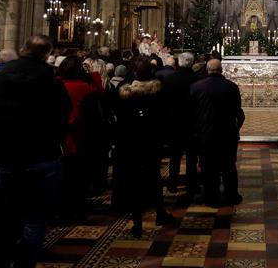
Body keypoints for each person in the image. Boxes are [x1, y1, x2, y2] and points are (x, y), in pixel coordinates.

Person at [0, 35, 72, 268]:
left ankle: (0, 262)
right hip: (42, 154)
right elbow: (63, 115)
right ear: (47, 55)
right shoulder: (52, 81)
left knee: (5, 214)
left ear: (23, 49)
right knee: (35, 219)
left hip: (6, 154)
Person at [113, 58, 175, 236]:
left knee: (133, 182)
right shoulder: (158, 91)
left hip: (130, 142)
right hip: (152, 141)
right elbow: (165, 116)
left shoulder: (125, 93)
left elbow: (119, 118)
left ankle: (137, 222)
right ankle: (160, 213)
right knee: (154, 177)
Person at [190, 58, 245, 207]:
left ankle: (210, 197)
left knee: (208, 166)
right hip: (227, 133)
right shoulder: (231, 87)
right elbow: (238, 112)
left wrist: (197, 129)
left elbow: (191, 112)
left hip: (205, 134)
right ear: (221, 70)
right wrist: (236, 128)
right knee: (228, 166)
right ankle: (232, 195)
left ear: (207, 70)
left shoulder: (196, 87)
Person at [56, 56, 104, 221]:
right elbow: (98, 100)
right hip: (79, 136)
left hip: (59, 137)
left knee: (62, 175)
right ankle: (77, 208)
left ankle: (62, 209)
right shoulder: (83, 87)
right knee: (79, 176)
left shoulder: (55, 85)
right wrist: (94, 75)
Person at [161, 52, 200, 195]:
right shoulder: (198, 79)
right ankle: (191, 184)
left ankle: (172, 183)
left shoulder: (169, 79)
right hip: (192, 123)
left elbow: (164, 102)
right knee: (191, 156)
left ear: (178, 63)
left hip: (174, 122)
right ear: (192, 62)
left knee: (175, 155)